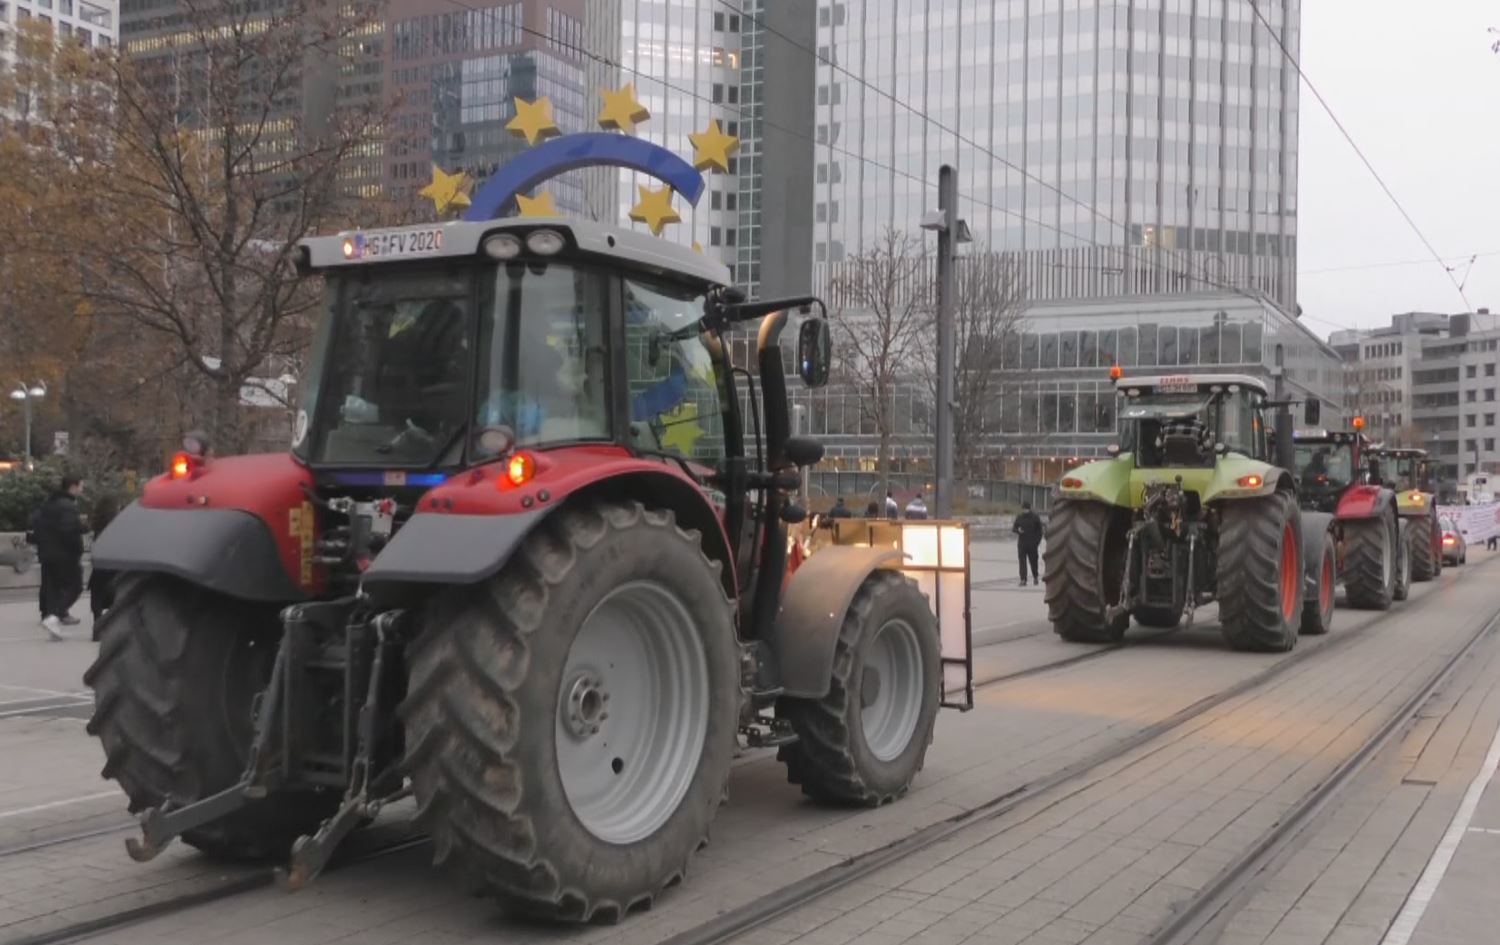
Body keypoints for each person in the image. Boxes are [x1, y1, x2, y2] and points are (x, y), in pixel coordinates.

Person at [34, 475, 86, 640]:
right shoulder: (67, 506)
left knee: (52, 589)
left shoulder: (49, 503)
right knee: (75, 586)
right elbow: (68, 530)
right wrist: (78, 546)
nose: (82, 489)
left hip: (47, 552)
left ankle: (52, 625)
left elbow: (38, 523)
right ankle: (54, 616)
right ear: (73, 486)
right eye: (81, 486)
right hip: (64, 554)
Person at [87, 492, 123, 640]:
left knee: (98, 595)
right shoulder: (118, 523)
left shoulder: (97, 524)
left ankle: (97, 626)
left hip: (100, 565)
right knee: (116, 597)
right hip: (114, 563)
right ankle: (112, 627)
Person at [1013, 501, 1044, 587]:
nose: (1024, 511)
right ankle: (1023, 579)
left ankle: (1035, 577)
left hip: (1032, 544)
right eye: (1023, 509)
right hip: (1022, 543)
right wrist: (1018, 531)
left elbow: (1040, 531)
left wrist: (1037, 542)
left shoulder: (1035, 517)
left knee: (1033, 562)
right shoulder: (1019, 517)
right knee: (1022, 562)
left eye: (1026, 509)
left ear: (1029, 509)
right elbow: (1014, 528)